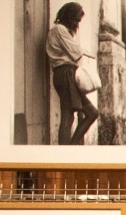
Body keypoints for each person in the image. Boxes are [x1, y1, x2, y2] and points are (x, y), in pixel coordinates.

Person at [48, 2, 100, 145]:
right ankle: (65, 152)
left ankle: (71, 146)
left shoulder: (61, 31)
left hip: (67, 73)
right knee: (68, 114)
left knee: (92, 113)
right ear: (69, 16)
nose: (77, 23)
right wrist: (81, 51)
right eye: (76, 19)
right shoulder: (59, 30)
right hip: (65, 73)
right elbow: (76, 53)